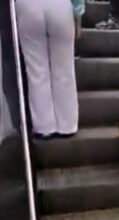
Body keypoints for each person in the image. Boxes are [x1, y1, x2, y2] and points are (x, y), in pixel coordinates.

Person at [15, 0, 85, 139]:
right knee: (64, 68)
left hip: (27, 6)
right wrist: (78, 16)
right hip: (60, 6)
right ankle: (67, 125)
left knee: (36, 70)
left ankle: (44, 127)